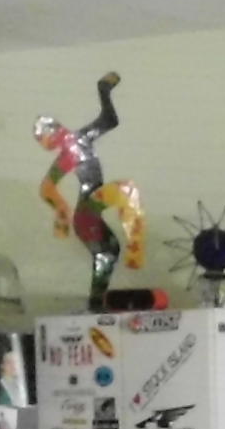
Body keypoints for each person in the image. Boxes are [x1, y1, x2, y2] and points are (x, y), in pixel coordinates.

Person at [35, 71, 146, 307]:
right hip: (87, 211)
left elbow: (109, 121)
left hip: (89, 208)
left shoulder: (77, 141)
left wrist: (104, 91)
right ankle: (96, 302)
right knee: (108, 248)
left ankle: (96, 301)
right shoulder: (70, 152)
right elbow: (46, 188)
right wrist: (61, 213)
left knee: (110, 250)